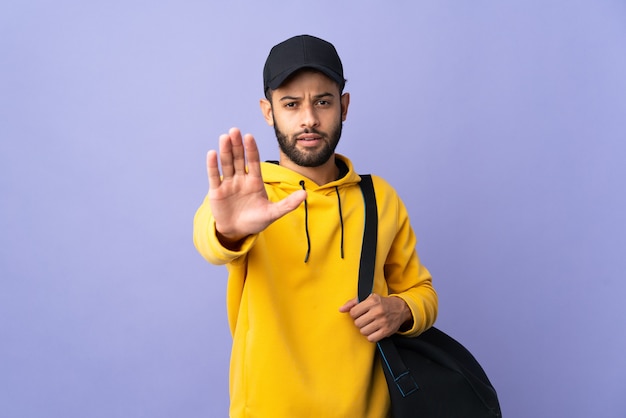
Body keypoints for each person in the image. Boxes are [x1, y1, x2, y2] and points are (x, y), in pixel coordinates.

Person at [193, 34, 438, 418]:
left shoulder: (379, 198)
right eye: (291, 104)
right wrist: (230, 230)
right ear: (268, 111)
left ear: (343, 106)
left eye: (322, 101)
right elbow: (210, 239)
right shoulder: (248, 197)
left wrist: (400, 308)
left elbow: (422, 292)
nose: (308, 119)